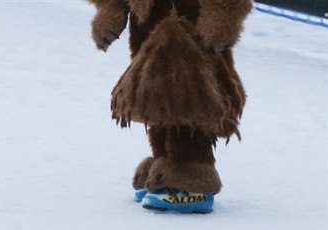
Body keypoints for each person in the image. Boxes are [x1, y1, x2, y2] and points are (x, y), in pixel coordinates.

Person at [85, 0, 253, 213]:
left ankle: (193, 169)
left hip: (191, 24)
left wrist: (222, 15)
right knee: (156, 94)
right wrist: (112, 8)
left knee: (188, 96)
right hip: (149, 23)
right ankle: (165, 161)